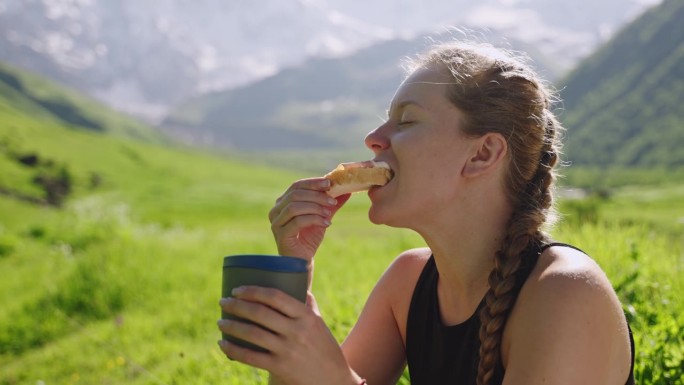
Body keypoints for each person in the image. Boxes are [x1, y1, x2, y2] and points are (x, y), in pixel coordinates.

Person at [217, 40, 636, 385]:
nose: (373, 139)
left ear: (482, 153)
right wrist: (295, 267)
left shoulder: (565, 294)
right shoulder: (407, 283)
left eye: (407, 121)